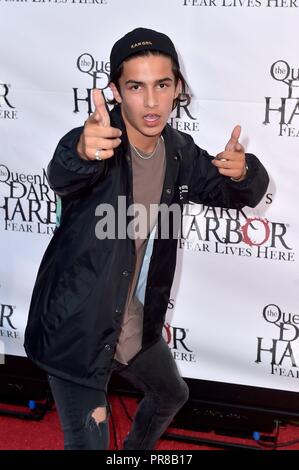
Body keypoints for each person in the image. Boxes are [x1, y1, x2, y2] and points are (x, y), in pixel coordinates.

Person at [24, 27, 269, 450]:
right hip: (76, 322)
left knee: (172, 393)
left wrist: (246, 173)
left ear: (178, 89)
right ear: (116, 91)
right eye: (136, 87)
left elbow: (232, 193)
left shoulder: (178, 150)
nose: (152, 102)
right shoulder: (98, 142)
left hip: (129, 312)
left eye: (162, 85)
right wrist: (81, 152)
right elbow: (63, 172)